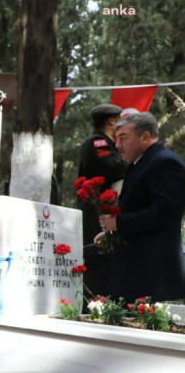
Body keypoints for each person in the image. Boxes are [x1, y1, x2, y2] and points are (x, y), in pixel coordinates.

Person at [99, 112, 185, 302]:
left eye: (123, 138)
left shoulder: (165, 162)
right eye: (116, 139)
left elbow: (164, 212)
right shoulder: (139, 163)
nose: (117, 145)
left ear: (145, 137)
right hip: (134, 268)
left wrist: (119, 223)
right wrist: (112, 232)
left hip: (153, 271)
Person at [77, 103, 127, 299]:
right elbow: (113, 167)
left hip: (103, 212)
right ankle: (91, 307)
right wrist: (132, 161)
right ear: (111, 120)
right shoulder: (98, 143)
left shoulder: (103, 142)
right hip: (95, 213)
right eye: (120, 118)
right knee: (97, 261)